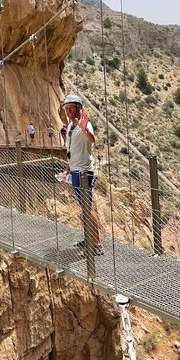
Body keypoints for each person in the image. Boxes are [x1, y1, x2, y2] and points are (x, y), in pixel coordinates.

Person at [62, 94, 103, 256]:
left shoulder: (84, 124)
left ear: (78, 108)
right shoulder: (71, 127)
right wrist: (69, 167)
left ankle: (97, 245)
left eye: (71, 108)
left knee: (88, 207)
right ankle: (89, 238)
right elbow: (71, 149)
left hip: (84, 172)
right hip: (75, 171)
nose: (68, 111)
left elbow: (92, 139)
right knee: (84, 207)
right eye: (66, 109)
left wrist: (84, 128)